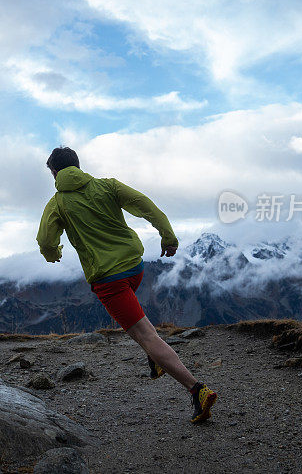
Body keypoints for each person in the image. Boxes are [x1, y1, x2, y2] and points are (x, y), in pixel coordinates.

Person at [36, 146, 217, 423]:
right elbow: (145, 205)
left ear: (54, 172)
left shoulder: (57, 203)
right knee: (140, 326)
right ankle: (156, 357)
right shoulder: (107, 186)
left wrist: (53, 254)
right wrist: (168, 236)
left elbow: (46, 241)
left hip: (109, 280)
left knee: (146, 336)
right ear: (78, 165)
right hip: (135, 269)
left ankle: (197, 390)